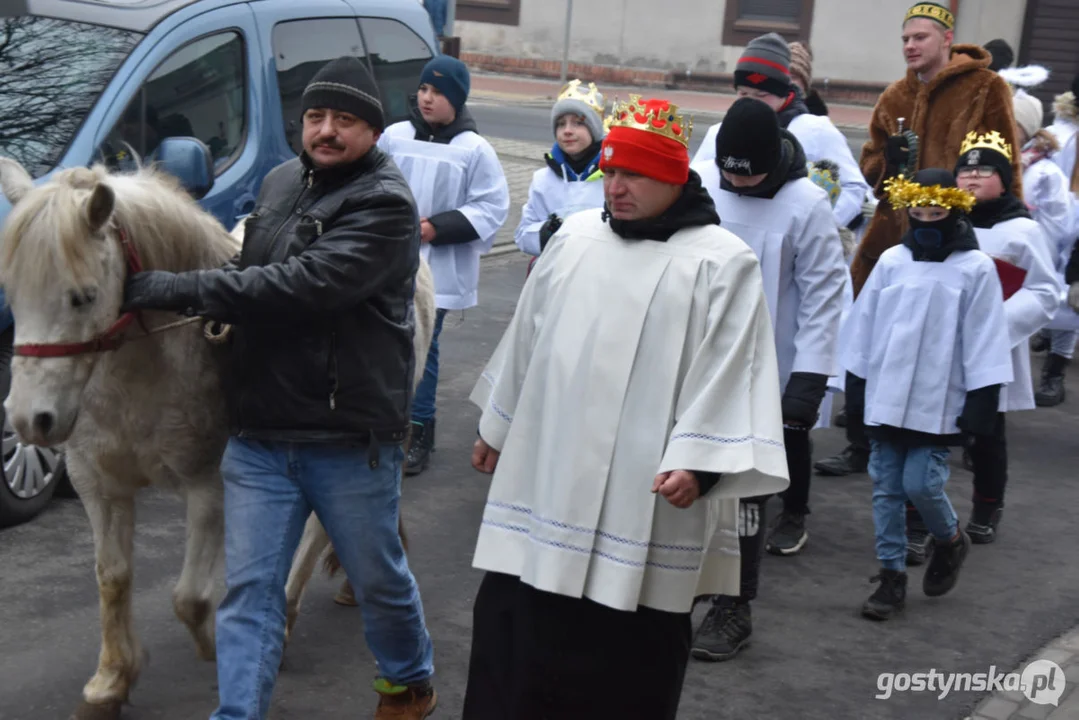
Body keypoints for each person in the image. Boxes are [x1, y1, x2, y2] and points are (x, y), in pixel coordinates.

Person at [119, 56, 437, 719]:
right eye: (316, 116)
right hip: (261, 432)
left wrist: (172, 288)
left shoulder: (385, 204)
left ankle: (408, 678)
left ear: (372, 132)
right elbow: (250, 265)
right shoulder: (282, 180)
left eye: (344, 120)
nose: (325, 130)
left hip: (347, 436)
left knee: (378, 582)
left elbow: (302, 286)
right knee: (251, 592)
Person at [462, 94, 790, 719]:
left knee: (624, 661)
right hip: (548, 480)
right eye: (610, 171)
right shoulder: (577, 238)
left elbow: (732, 369)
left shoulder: (723, 262)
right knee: (517, 632)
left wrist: (701, 464)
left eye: (632, 174)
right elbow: (527, 336)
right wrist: (497, 424)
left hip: (646, 498)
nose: (614, 187)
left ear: (673, 175)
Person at [816, 1, 1021, 479]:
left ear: (947, 40)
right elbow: (868, 173)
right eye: (905, 39)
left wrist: (1008, 219)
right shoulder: (893, 97)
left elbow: (1003, 163)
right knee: (869, 339)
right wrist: (887, 160)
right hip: (892, 238)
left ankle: (945, 442)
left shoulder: (985, 89)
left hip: (956, 237)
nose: (910, 46)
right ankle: (862, 443)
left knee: (949, 348)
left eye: (920, 37)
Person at [688, 97, 846, 659]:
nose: (739, 182)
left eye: (749, 172)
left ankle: (735, 608)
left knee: (746, 491)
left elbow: (826, 295)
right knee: (686, 480)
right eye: (730, 172)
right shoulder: (702, 181)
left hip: (767, 367)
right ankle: (676, 589)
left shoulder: (806, 205)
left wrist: (809, 379)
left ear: (773, 161)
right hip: (696, 359)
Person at [841, 169, 1013, 620]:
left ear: (952, 213)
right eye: (918, 214)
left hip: (938, 402)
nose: (926, 221)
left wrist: (982, 400)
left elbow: (985, 337)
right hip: (886, 393)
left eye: (936, 213)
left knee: (921, 483)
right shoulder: (894, 262)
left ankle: (951, 539)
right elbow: (863, 326)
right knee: (886, 488)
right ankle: (891, 575)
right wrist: (856, 389)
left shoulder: (975, 269)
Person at [378, 55, 510, 476]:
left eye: (437, 92)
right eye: (423, 90)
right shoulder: (395, 137)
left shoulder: (474, 150)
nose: (427, 98)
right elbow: (369, 182)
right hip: (387, 257)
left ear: (457, 99)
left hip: (439, 265)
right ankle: (380, 422)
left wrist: (436, 227)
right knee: (382, 340)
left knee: (423, 345)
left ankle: (419, 430)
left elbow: (492, 206)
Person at [943, 131, 1060, 544]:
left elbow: (1045, 290)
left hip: (993, 345)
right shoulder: (943, 220)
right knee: (931, 429)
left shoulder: (1021, 231)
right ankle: (924, 515)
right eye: (965, 171)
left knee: (987, 432)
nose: (972, 179)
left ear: (1004, 178)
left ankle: (987, 505)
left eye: (984, 170)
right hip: (942, 341)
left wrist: (995, 323)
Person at [693, 33, 870, 232]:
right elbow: (695, 184)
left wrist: (821, 228)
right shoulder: (718, 132)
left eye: (762, 95)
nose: (752, 101)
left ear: (783, 92)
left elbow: (853, 188)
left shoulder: (816, 130)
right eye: (743, 93)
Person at [1012, 90, 1078, 407]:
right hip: (1040, 236)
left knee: (1066, 302)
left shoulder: (1045, 158)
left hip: (1060, 236)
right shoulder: (1054, 135)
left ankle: (1054, 373)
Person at [514, 79, 607, 270]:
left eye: (578, 123)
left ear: (595, 129)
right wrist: (545, 232)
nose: (567, 131)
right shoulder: (543, 179)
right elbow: (523, 233)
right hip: (552, 272)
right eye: (561, 124)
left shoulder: (611, 177)